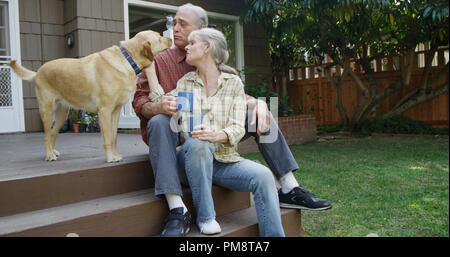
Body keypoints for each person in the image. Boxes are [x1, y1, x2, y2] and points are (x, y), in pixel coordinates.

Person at [132, 3, 331, 237]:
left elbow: (230, 94)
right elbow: (142, 101)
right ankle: (177, 208)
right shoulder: (166, 64)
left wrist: (257, 102)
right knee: (162, 121)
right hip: (178, 137)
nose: (174, 28)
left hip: (217, 142)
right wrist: (157, 102)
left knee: (261, 112)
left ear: (203, 34)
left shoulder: (224, 73)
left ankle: (289, 186)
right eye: (173, 23)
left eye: (182, 24)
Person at [147, 27, 285, 237]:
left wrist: (216, 135)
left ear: (207, 48)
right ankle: (206, 217)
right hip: (190, 161)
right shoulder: (186, 83)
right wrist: (149, 72)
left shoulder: (233, 84)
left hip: (223, 161)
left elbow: (238, 127)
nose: (188, 47)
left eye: (193, 43)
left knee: (264, 176)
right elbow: (161, 102)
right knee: (198, 142)